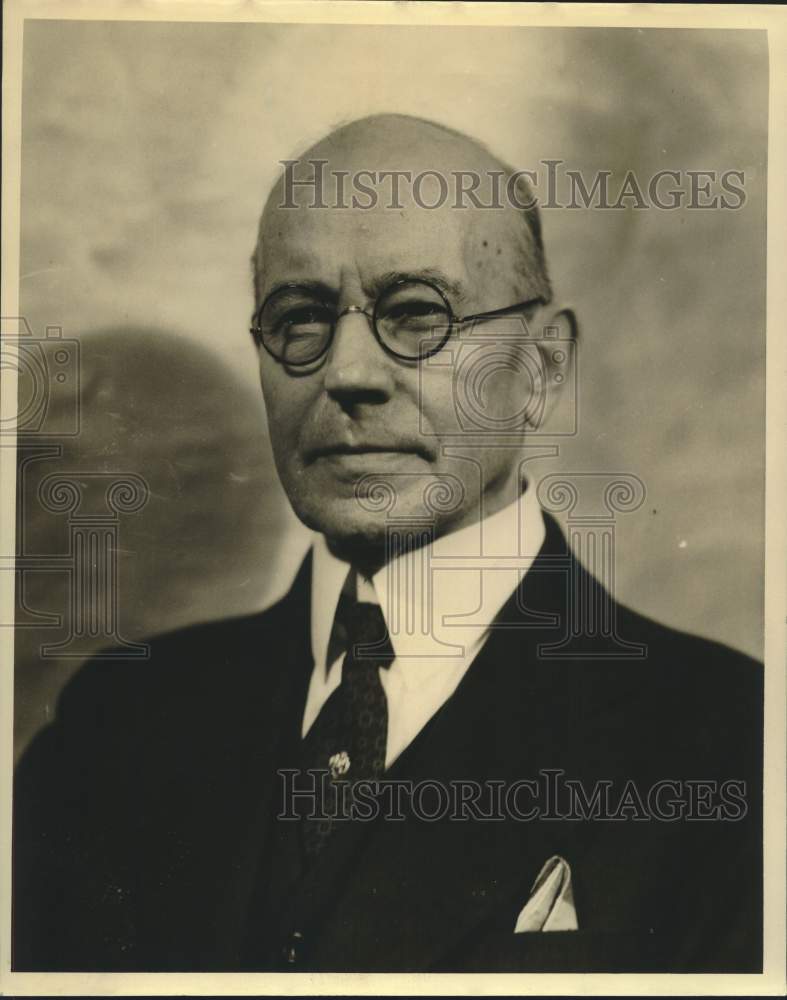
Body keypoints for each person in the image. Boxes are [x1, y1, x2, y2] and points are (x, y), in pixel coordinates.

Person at [13, 114, 762, 973]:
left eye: (417, 315)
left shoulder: (731, 745)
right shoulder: (111, 730)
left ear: (542, 369)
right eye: (300, 319)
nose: (348, 373)